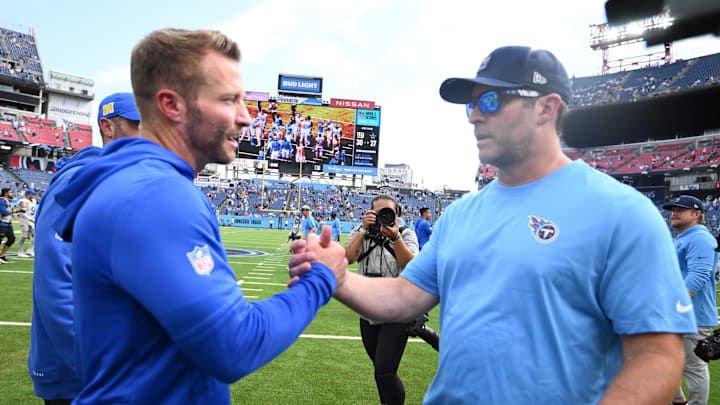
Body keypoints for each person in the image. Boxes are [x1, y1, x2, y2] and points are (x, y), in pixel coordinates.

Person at [289, 46, 696, 404]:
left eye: (491, 101)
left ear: (546, 108)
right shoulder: (462, 214)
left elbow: (658, 356)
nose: (473, 118)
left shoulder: (623, 213)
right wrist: (337, 277)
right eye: (472, 105)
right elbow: (403, 295)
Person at [52, 29, 346, 404]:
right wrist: (322, 277)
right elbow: (233, 345)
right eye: (229, 100)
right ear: (172, 105)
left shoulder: (138, 184)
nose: (245, 118)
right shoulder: (156, 196)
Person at [28, 92, 140, 405]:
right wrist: (100, 368)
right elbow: (55, 286)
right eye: (138, 125)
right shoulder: (77, 182)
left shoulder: (120, 182)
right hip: (81, 376)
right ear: (108, 126)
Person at [343, 195, 418, 405]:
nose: (382, 217)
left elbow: (412, 267)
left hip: (397, 312)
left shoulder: (407, 234)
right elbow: (347, 258)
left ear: (398, 214)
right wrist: (363, 231)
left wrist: (395, 239)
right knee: (380, 370)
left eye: (388, 212)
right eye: (378, 213)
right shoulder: (361, 232)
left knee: (385, 372)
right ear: (370, 214)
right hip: (367, 312)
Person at [663, 195, 719, 405]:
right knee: (664, 360)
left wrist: (676, 305)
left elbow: (700, 275)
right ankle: (678, 400)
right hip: (681, 314)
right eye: (673, 209)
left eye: (680, 210)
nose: (673, 213)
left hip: (693, 315)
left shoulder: (700, 237)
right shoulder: (683, 237)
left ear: (697, 214)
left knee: (693, 366)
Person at [0, 187, 21, 263]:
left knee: (11, 239)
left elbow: (9, 211)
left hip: (8, 223)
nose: (12, 194)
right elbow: (4, 212)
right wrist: (15, 210)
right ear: (6, 193)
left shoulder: (7, 201)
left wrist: (17, 210)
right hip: (2, 222)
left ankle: (1, 256)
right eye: (11, 192)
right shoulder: (1, 201)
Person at [16, 189, 37, 257]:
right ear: (28, 194)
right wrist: (30, 219)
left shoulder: (34, 201)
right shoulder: (23, 201)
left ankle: (30, 250)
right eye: (32, 194)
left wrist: (32, 219)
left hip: (31, 219)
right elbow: (22, 212)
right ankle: (20, 251)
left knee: (35, 236)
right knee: (23, 236)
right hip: (24, 220)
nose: (34, 195)